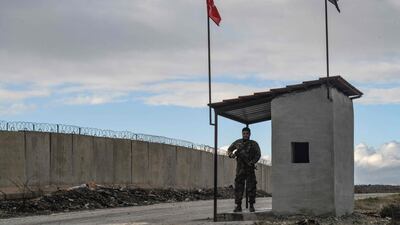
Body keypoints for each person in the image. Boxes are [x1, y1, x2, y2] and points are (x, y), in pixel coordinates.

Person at [227, 127, 261, 213]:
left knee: (251, 187)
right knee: (238, 187)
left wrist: (252, 162)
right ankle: (238, 206)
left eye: (247, 133)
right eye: (244, 133)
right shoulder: (238, 142)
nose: (245, 135)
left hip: (250, 168)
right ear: (242, 134)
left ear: (250, 134)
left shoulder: (254, 144)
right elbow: (229, 150)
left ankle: (251, 205)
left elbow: (258, 154)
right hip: (240, 169)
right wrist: (231, 155)